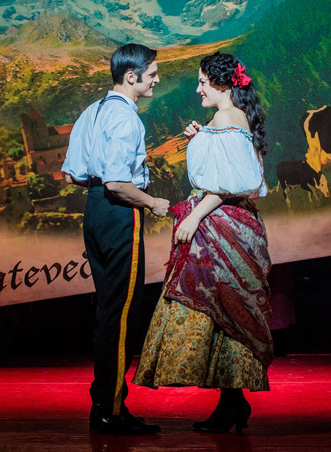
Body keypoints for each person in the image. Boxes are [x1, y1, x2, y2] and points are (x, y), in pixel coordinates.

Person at [133, 52, 274, 434]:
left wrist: (195, 216)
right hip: (225, 222)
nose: (197, 89)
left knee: (219, 309)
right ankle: (231, 403)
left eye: (202, 82)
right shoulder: (225, 120)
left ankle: (231, 404)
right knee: (222, 314)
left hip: (222, 223)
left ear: (222, 84)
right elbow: (229, 167)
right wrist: (202, 137)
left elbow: (233, 182)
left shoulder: (228, 118)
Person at [61, 43, 170, 435]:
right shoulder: (125, 118)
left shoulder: (93, 111)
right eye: (152, 73)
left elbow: (72, 174)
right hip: (119, 211)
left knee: (109, 311)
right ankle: (110, 410)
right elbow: (118, 182)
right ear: (131, 76)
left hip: (94, 211)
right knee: (123, 313)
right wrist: (153, 202)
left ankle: (104, 403)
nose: (157, 79)